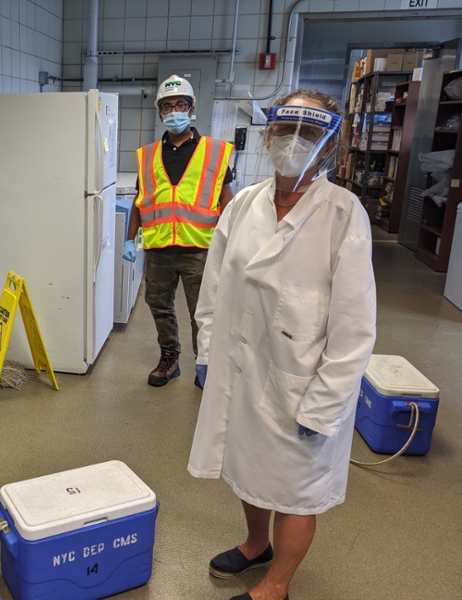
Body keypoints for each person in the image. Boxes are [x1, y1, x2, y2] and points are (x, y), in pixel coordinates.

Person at [187, 89, 377, 600]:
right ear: (268, 135)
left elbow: (356, 327)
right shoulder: (245, 204)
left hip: (303, 382)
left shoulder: (344, 215)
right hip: (242, 368)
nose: (293, 141)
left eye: (308, 133)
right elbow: (214, 286)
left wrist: (326, 403)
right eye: (285, 130)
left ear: (330, 146)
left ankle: (276, 586)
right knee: (246, 465)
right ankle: (256, 544)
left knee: (296, 489)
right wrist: (207, 350)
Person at [123, 74, 234, 387]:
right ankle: (169, 359)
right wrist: (129, 240)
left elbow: (228, 201)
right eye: (167, 106)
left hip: (200, 249)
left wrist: (232, 241)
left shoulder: (214, 151)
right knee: (159, 307)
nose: (174, 111)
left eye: (180, 104)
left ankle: (205, 365)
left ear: (191, 107)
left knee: (204, 313)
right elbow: (139, 201)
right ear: (160, 112)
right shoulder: (147, 156)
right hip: (159, 250)